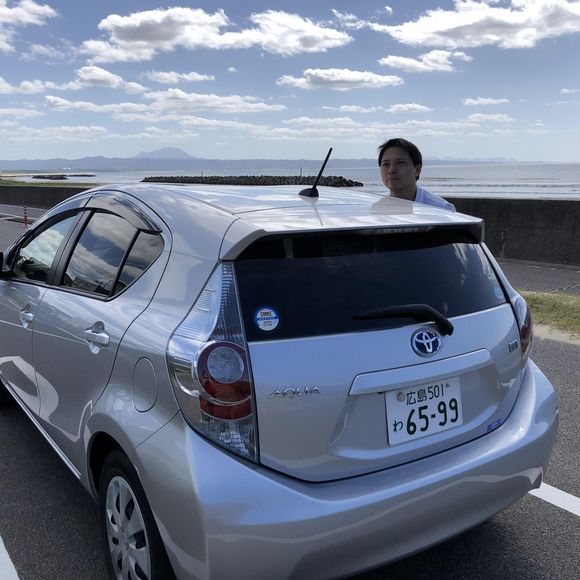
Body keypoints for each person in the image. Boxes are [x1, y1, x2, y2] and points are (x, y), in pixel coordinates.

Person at [378, 137, 455, 211]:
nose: (391, 170)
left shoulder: (441, 209)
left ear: (417, 170)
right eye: (386, 164)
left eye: (400, 163)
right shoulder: (377, 206)